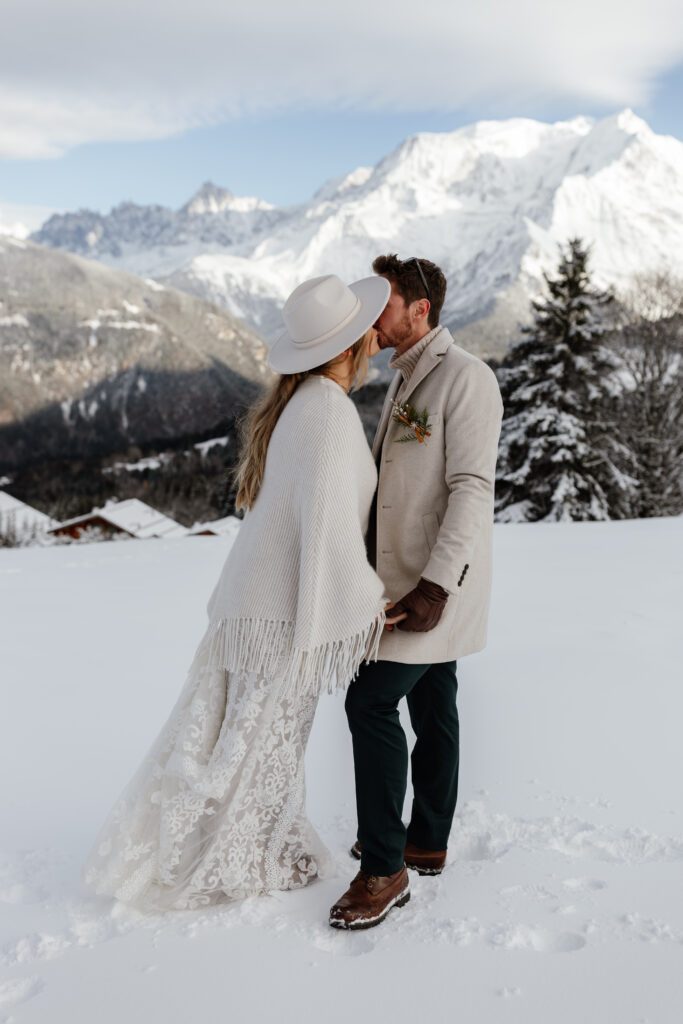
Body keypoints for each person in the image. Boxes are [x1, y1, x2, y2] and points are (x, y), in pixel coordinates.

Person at [81, 273, 406, 911]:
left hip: (249, 604)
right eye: (366, 329)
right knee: (258, 746)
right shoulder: (329, 412)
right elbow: (328, 526)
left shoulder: (300, 402)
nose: (376, 335)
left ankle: (220, 846)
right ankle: (232, 858)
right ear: (348, 346)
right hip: (277, 613)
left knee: (230, 742)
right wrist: (367, 604)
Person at [329, 255, 504, 931]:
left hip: (431, 586)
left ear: (420, 310)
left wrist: (435, 586)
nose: (370, 317)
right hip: (399, 580)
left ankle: (384, 868)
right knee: (434, 703)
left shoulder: (466, 377)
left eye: (384, 304)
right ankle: (425, 840)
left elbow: (472, 489)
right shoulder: (407, 376)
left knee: (369, 702)